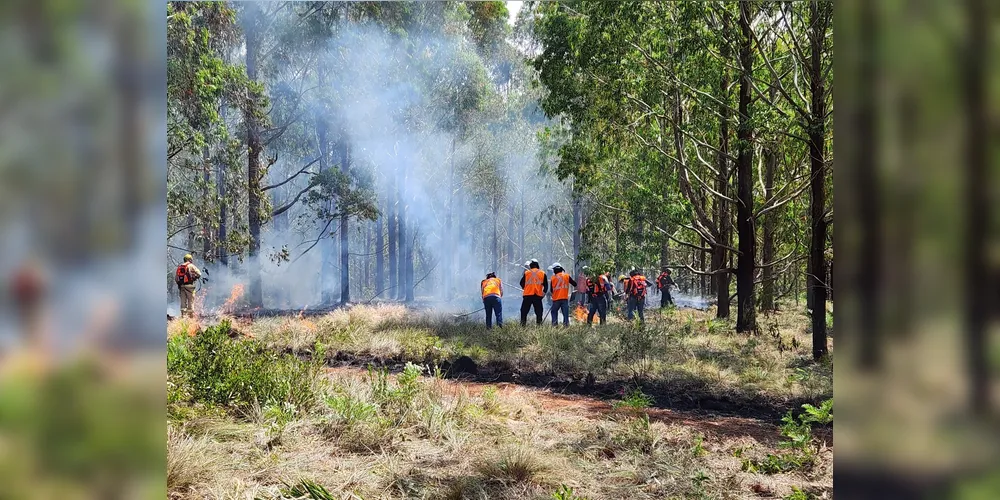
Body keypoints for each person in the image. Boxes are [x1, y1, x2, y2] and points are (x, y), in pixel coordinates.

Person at [519, 259, 548, 326]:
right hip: (537, 296)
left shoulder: (527, 273)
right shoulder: (542, 273)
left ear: (531, 266)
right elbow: (546, 285)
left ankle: (522, 326)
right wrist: (543, 293)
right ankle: (539, 326)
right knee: (539, 312)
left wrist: (525, 288)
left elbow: (521, 283)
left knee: (524, 311)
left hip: (527, 295)